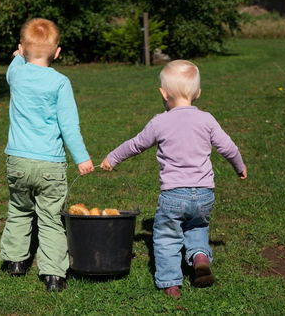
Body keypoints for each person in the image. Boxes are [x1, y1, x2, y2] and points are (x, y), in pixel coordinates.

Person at [100, 60, 247, 298]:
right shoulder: (207, 119)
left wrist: (113, 158)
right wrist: (239, 167)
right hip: (204, 194)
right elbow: (228, 147)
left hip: (173, 195)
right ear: (197, 93)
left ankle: (171, 283)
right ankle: (200, 257)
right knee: (197, 226)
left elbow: (136, 144)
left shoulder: (160, 121)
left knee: (167, 237)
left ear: (163, 93)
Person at [0, 18, 94, 292]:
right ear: (57, 52)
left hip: (17, 160)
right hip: (50, 163)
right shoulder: (60, 82)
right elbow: (69, 126)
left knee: (18, 209)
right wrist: (82, 158)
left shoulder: (16, 74)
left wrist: (19, 56)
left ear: (21, 48)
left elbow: (14, 64)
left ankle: (15, 261)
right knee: (51, 217)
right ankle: (53, 274)